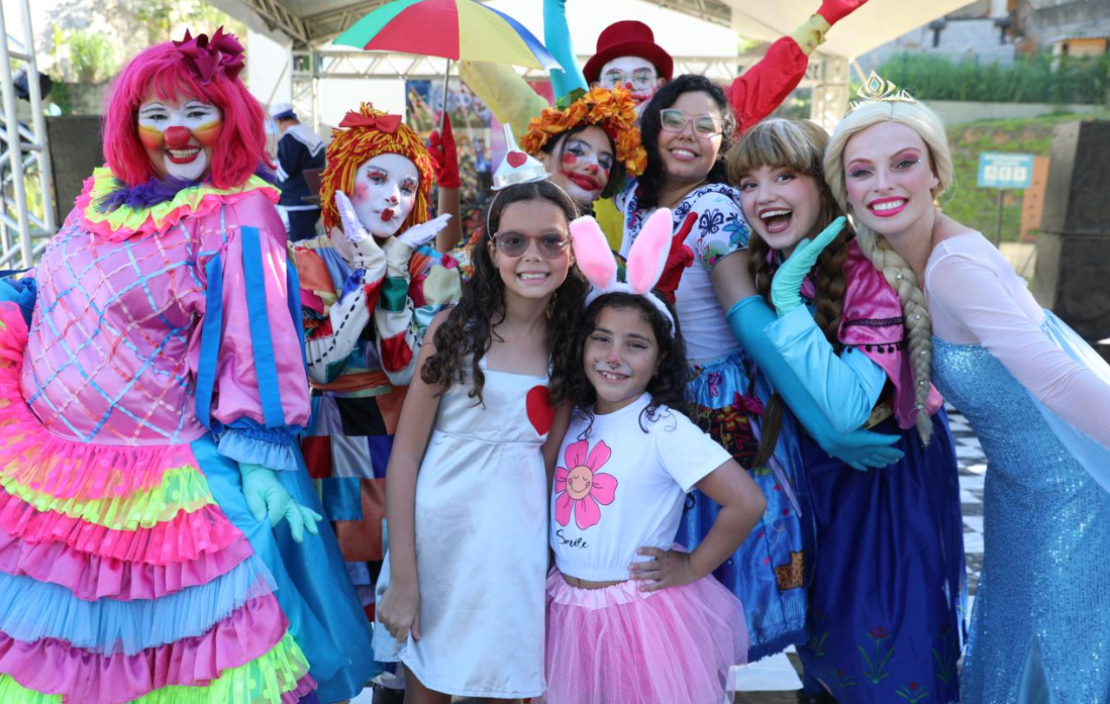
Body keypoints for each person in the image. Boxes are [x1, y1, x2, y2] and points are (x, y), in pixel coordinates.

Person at [0, 28, 377, 704]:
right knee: (73, 665)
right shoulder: (102, 196)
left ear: (228, 120)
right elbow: (56, 285)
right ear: (130, 123)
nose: (177, 133)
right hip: (51, 472)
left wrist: (262, 458)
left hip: (161, 482)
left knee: (178, 666)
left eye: (196, 113)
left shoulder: (239, 214)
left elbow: (259, 340)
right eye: (157, 115)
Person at [823, 81, 1110, 704]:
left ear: (935, 174)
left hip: (1072, 502)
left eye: (904, 164)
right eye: (862, 171)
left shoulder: (955, 268)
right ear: (844, 190)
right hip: (1021, 492)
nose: (883, 184)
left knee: (1066, 666)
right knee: (1011, 655)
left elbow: (1058, 375)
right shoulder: (906, 261)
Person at [618, 74, 902, 660]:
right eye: (674, 118)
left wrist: (826, 432)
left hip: (720, 405)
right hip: (658, 396)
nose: (688, 134)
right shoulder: (635, 200)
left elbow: (749, 323)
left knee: (707, 585)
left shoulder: (718, 206)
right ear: (651, 125)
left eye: (707, 125)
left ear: (723, 140)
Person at [729, 118, 966, 703]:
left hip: (887, 486)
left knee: (890, 658)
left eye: (785, 176)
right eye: (749, 183)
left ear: (827, 186)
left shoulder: (870, 271)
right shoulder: (772, 260)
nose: (764, 196)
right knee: (826, 663)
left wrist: (785, 301)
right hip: (820, 486)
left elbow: (846, 409)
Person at [372, 172, 588, 701]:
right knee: (429, 685)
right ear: (492, 251)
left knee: (505, 683)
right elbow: (404, 460)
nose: (532, 255)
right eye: (514, 241)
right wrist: (404, 577)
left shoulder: (572, 344)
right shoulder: (453, 331)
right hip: (436, 544)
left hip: (515, 550)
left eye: (550, 240)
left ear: (571, 250)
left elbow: (550, 464)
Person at [544, 210, 765, 704]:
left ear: (661, 357)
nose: (613, 356)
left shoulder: (663, 428)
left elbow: (746, 502)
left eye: (635, 344)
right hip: (566, 610)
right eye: (600, 338)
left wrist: (691, 568)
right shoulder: (574, 417)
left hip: (638, 619)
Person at [293, 103, 461, 631]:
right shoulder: (302, 260)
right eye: (379, 178)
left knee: (404, 569)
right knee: (336, 579)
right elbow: (321, 368)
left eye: (408, 188)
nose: (395, 197)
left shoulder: (434, 269)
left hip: (406, 435)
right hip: (326, 437)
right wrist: (367, 275)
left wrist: (391, 280)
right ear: (343, 180)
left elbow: (404, 372)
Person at [271, 102, 327, 241]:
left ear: (279, 121)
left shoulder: (291, 137)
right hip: (312, 199)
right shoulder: (310, 134)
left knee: (299, 248)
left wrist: (271, 164)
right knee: (310, 244)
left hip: (296, 201)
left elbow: (284, 171)